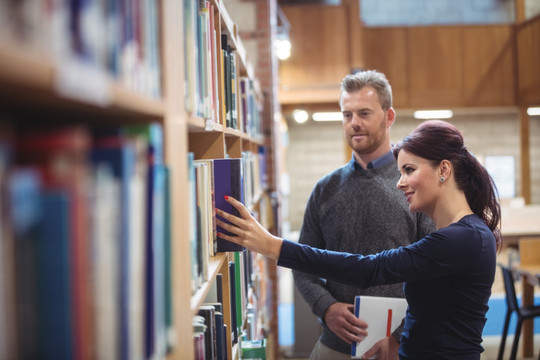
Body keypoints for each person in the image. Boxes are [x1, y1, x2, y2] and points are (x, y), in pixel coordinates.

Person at [216, 119, 503, 360]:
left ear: (444, 170)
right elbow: (434, 311)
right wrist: (396, 342)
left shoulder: (461, 239)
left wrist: (272, 246)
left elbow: (370, 269)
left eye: (409, 170)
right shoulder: (459, 235)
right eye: (401, 171)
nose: (400, 182)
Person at [292, 70, 435, 360]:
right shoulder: (324, 190)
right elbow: (302, 265)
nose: (354, 123)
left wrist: (399, 337)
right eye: (347, 115)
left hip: (401, 348)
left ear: (389, 116)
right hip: (335, 346)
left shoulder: (416, 185)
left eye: (364, 113)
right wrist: (326, 307)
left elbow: (434, 271)